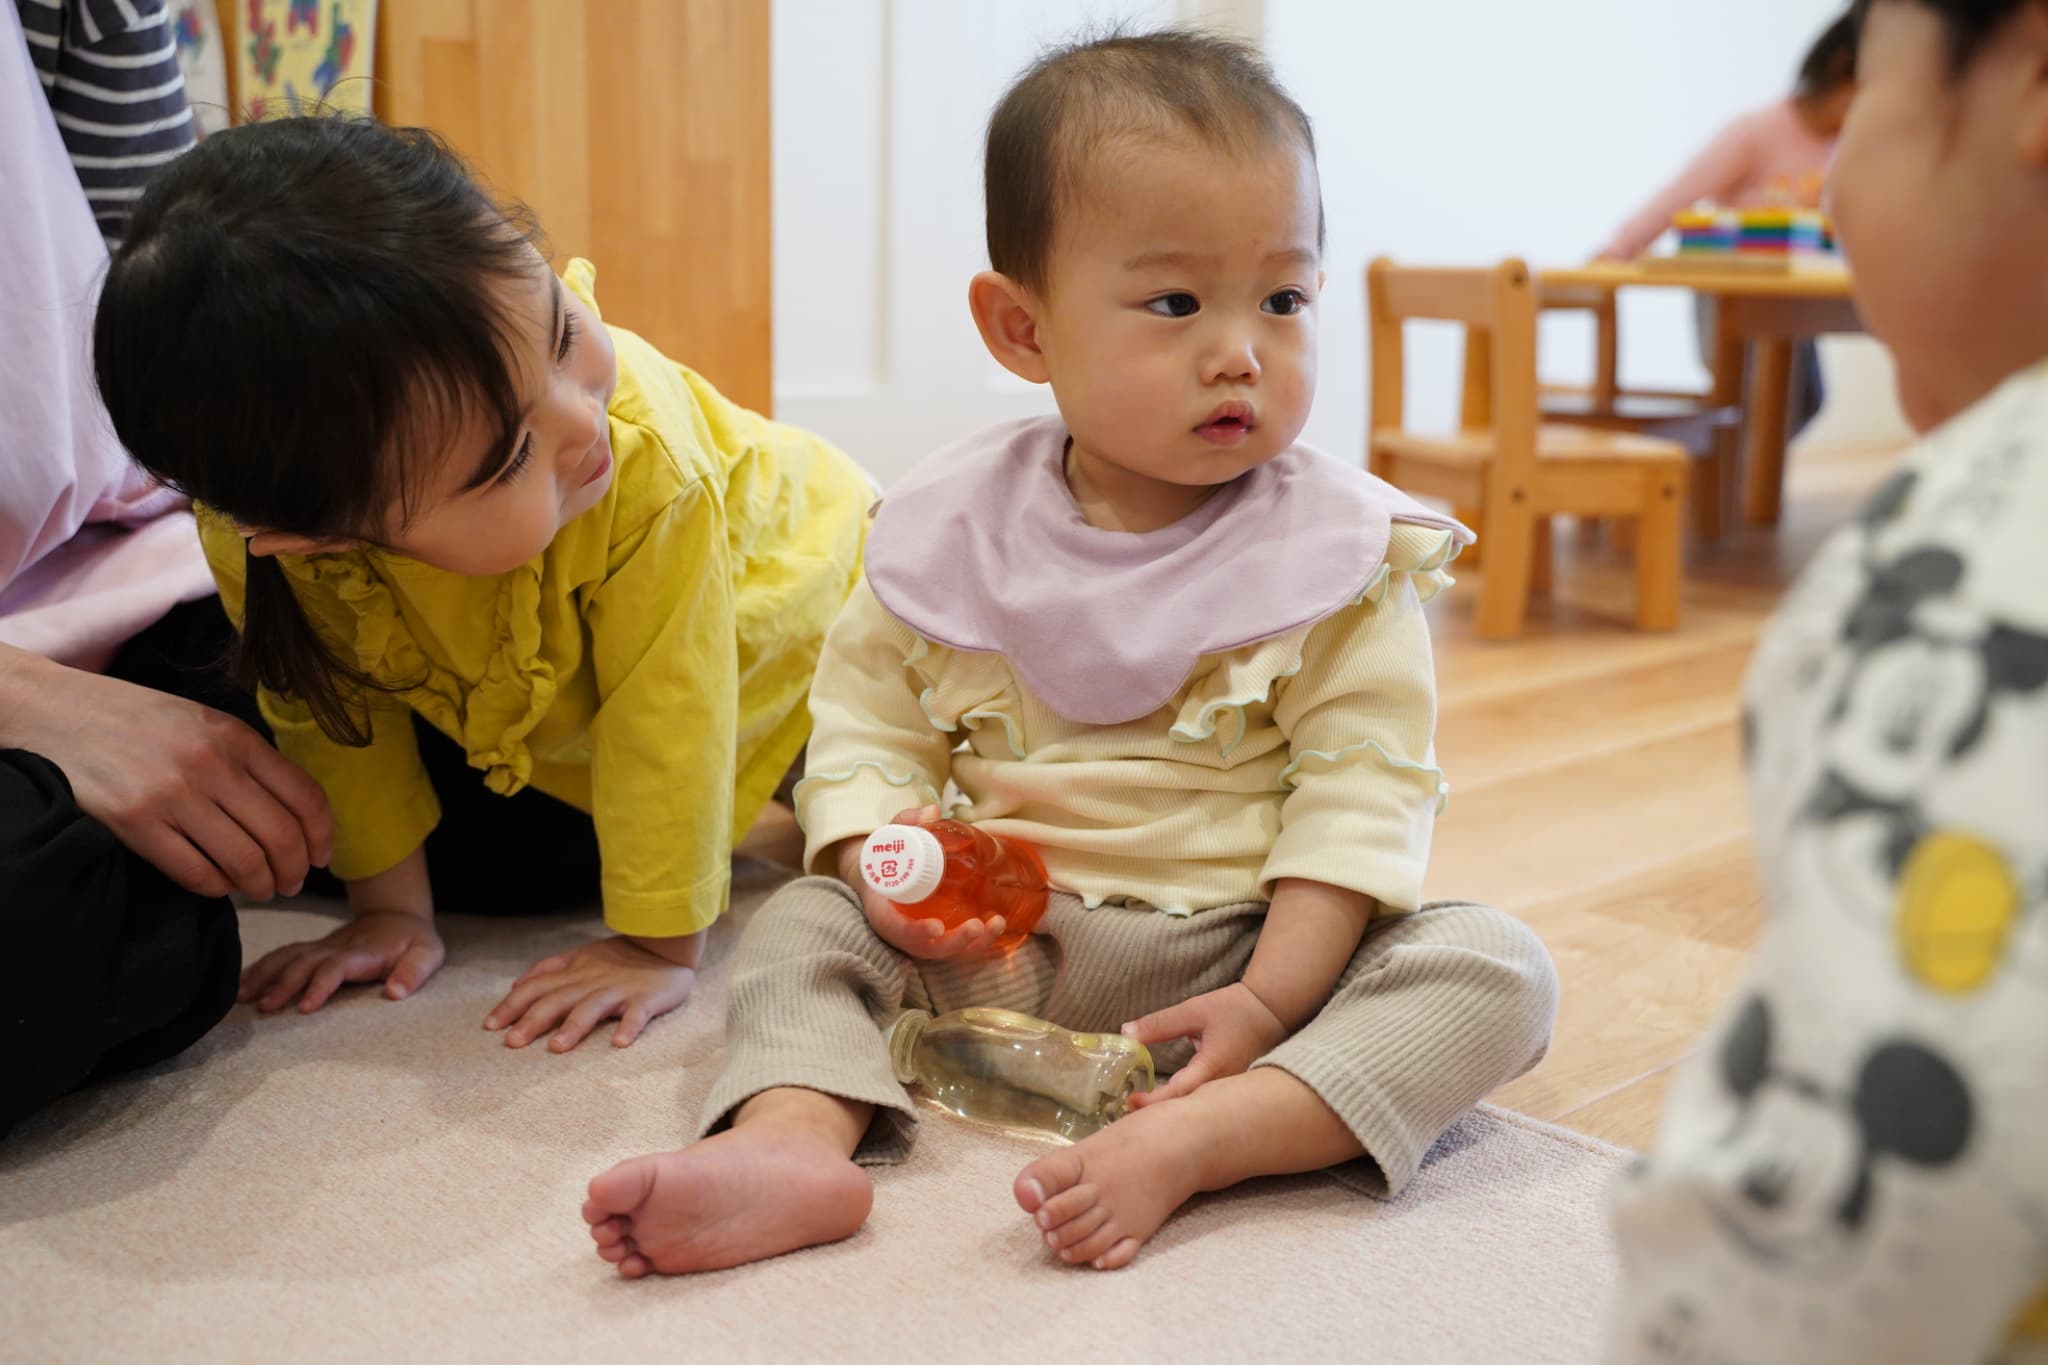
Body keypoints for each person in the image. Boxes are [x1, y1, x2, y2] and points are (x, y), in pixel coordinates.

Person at [580, 28, 1559, 1277]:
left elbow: (1360, 797)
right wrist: (889, 873)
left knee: (1493, 969)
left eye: (1283, 299)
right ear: (1021, 328)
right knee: (801, 924)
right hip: (990, 948)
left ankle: (1216, 1132)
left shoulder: (1339, 557)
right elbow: (867, 733)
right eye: (1175, 303)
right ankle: (790, 1139)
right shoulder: (945, 530)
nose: (1240, 351)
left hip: (1240, 954)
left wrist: (1270, 1001)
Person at [93, 115, 873, 1055]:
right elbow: (328, 705)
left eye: (562, 331)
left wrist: (657, 944)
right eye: (508, 457)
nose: (581, 421)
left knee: (883, 820)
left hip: (816, 623)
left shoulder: (641, 461)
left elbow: (671, 706)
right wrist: (390, 909)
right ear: (312, 536)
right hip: (586, 689)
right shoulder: (254, 536)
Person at [1604, 1, 2048, 1361]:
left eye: (1875, 108)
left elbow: (1868, 1241)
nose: (1838, 175)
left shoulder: (1965, 557)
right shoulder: (1751, 133)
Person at [0, 0, 332, 1137]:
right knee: (48, 911)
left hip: (111, 554)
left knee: (524, 768)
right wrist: (32, 704)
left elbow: (180, 317)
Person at [1598, 11, 1859, 435]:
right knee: (1748, 399)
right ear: (1839, 70)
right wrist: (1620, 247)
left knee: (1805, 401)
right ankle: (1713, 467)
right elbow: (1680, 194)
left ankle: (1744, 472)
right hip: (1733, 292)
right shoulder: (1757, 130)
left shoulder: (1845, 147)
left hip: (1798, 298)